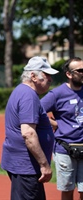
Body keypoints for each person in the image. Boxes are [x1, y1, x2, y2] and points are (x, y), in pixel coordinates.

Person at [1, 56, 59, 200]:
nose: (50, 80)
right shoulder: (29, 96)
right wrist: (44, 164)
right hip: (26, 166)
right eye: (47, 76)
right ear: (33, 76)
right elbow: (28, 133)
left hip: (22, 164)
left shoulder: (23, 92)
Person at [40, 57, 83, 200]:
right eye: (80, 70)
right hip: (65, 149)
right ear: (69, 74)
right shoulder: (57, 94)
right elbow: (37, 111)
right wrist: (54, 124)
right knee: (67, 190)